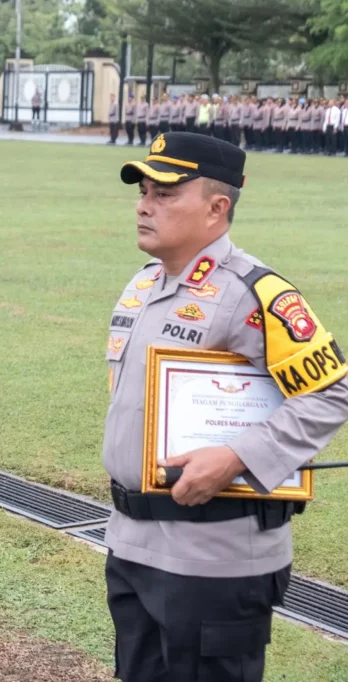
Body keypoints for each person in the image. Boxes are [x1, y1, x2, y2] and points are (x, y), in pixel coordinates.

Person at [106, 131, 348, 682]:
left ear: (218, 208)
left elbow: (332, 391)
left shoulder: (254, 293)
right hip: (133, 543)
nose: (144, 204)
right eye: (143, 190)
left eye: (165, 193)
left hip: (213, 556)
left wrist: (237, 455)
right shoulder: (143, 285)